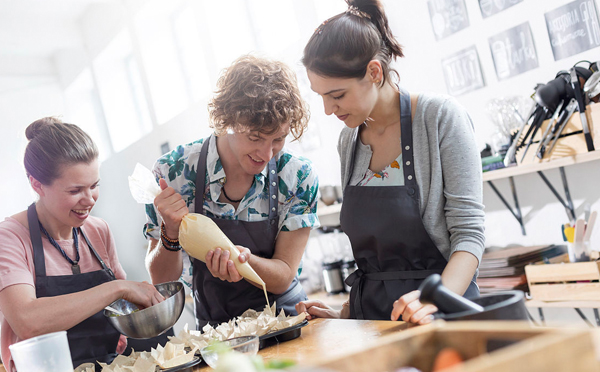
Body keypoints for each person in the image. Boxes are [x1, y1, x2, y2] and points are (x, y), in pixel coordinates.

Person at [296, 0, 485, 324]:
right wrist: (347, 311)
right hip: (375, 325)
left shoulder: (439, 118)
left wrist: (435, 299)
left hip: (442, 318)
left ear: (374, 71)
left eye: (337, 95)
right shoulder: (349, 140)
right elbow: (379, 269)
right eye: (321, 96)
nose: (329, 109)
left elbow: (468, 235)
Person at [145, 55, 320, 328]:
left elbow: (284, 273)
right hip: (218, 334)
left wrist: (243, 262)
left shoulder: (297, 176)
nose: (266, 154)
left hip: (286, 321)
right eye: (255, 137)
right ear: (227, 119)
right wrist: (170, 229)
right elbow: (162, 280)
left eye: (278, 139)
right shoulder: (173, 173)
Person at [0, 117, 165, 372]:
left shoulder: (98, 231)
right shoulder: (10, 238)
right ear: (36, 184)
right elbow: (27, 321)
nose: (89, 200)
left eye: (94, 186)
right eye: (75, 190)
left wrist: (151, 303)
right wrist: (118, 287)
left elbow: (123, 309)